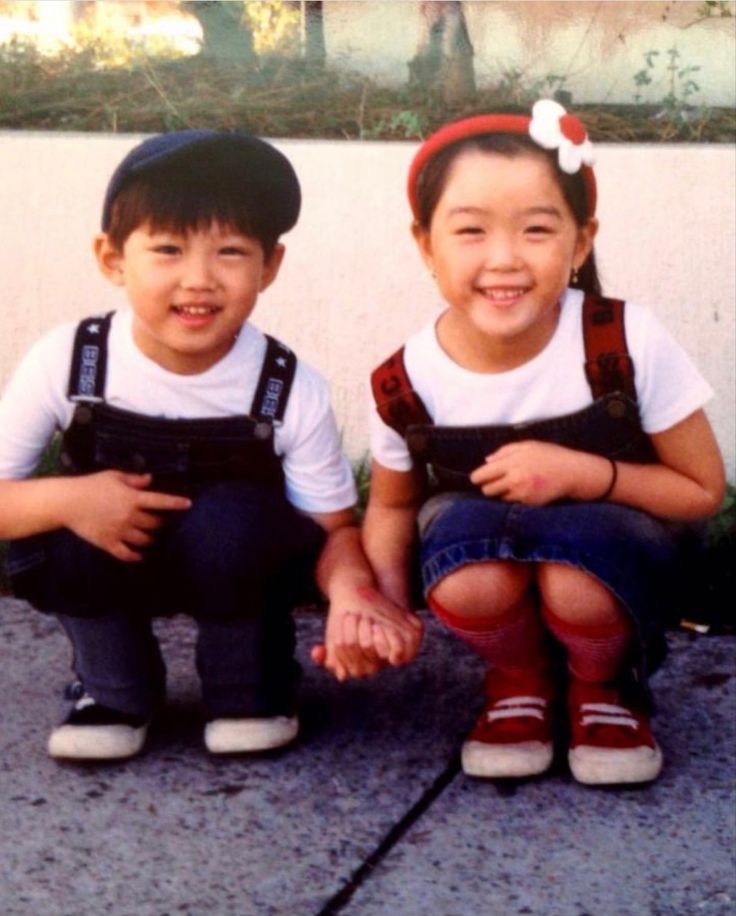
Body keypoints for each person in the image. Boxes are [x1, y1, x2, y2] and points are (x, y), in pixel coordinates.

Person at [0, 130, 421, 762]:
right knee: (58, 532)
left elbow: (331, 528)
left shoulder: (286, 386)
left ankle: (251, 688)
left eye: (230, 252)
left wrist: (353, 595)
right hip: (109, 558)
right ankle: (114, 691)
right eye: (167, 249)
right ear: (112, 258)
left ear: (269, 266)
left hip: (234, 568)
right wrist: (69, 499)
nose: (198, 280)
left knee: (236, 526)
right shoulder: (70, 360)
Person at [363, 100, 725, 785]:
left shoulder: (623, 342)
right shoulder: (404, 381)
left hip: (618, 552)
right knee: (466, 564)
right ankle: (519, 677)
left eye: (536, 229)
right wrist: (384, 599)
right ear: (425, 244)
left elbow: (702, 492)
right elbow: (389, 506)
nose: (504, 259)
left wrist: (585, 473)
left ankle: (602, 682)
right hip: (486, 554)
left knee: (577, 574)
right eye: (470, 231)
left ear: (580, 242)